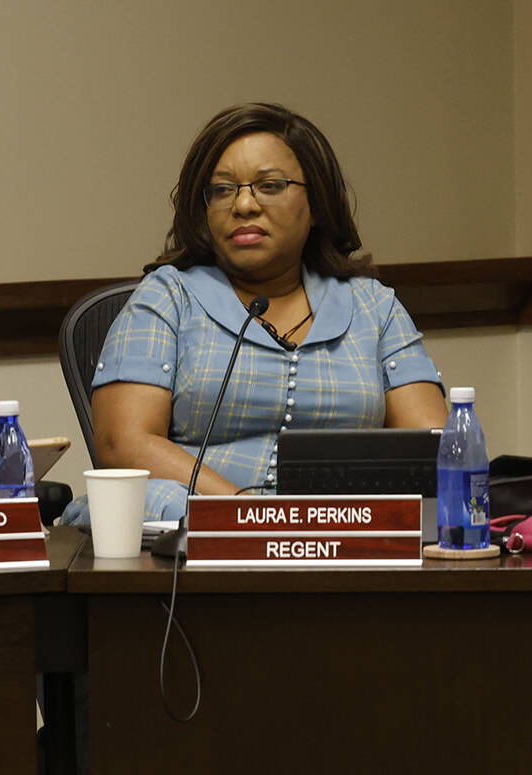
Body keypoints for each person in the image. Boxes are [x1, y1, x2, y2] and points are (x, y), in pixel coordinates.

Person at [83, 102, 446, 520]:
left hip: (342, 539)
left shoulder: (374, 307)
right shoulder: (167, 298)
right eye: (222, 190)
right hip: (197, 539)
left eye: (269, 185)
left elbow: (432, 449)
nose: (243, 205)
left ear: (317, 202)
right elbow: (121, 444)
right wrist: (250, 513)